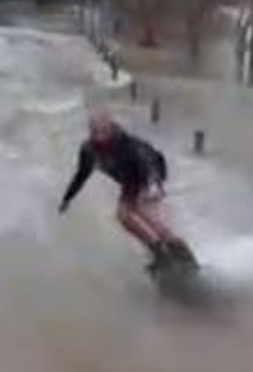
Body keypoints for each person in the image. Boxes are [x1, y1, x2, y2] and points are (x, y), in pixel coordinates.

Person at [58, 110, 195, 269]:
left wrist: (154, 185)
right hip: (130, 182)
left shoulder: (128, 143)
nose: (99, 136)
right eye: (95, 132)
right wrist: (67, 198)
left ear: (111, 128)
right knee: (125, 216)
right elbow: (81, 175)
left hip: (149, 174)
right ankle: (158, 251)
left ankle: (183, 255)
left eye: (103, 131)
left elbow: (149, 162)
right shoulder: (89, 150)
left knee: (146, 217)